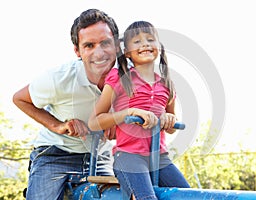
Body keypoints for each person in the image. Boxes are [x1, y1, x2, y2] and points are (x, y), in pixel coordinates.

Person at [12, 9, 120, 200]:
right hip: (56, 153)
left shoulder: (131, 77)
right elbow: (19, 98)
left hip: (99, 156)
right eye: (89, 45)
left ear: (117, 45)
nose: (99, 52)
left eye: (105, 43)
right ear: (77, 51)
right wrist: (58, 125)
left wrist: (116, 119)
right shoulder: (59, 79)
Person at [88, 21, 190, 200]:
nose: (145, 44)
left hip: (160, 159)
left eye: (150, 39)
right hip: (129, 157)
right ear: (127, 51)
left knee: (189, 196)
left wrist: (169, 118)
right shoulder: (120, 77)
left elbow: (172, 126)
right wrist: (129, 112)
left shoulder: (166, 84)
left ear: (158, 46)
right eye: (137, 41)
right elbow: (94, 121)